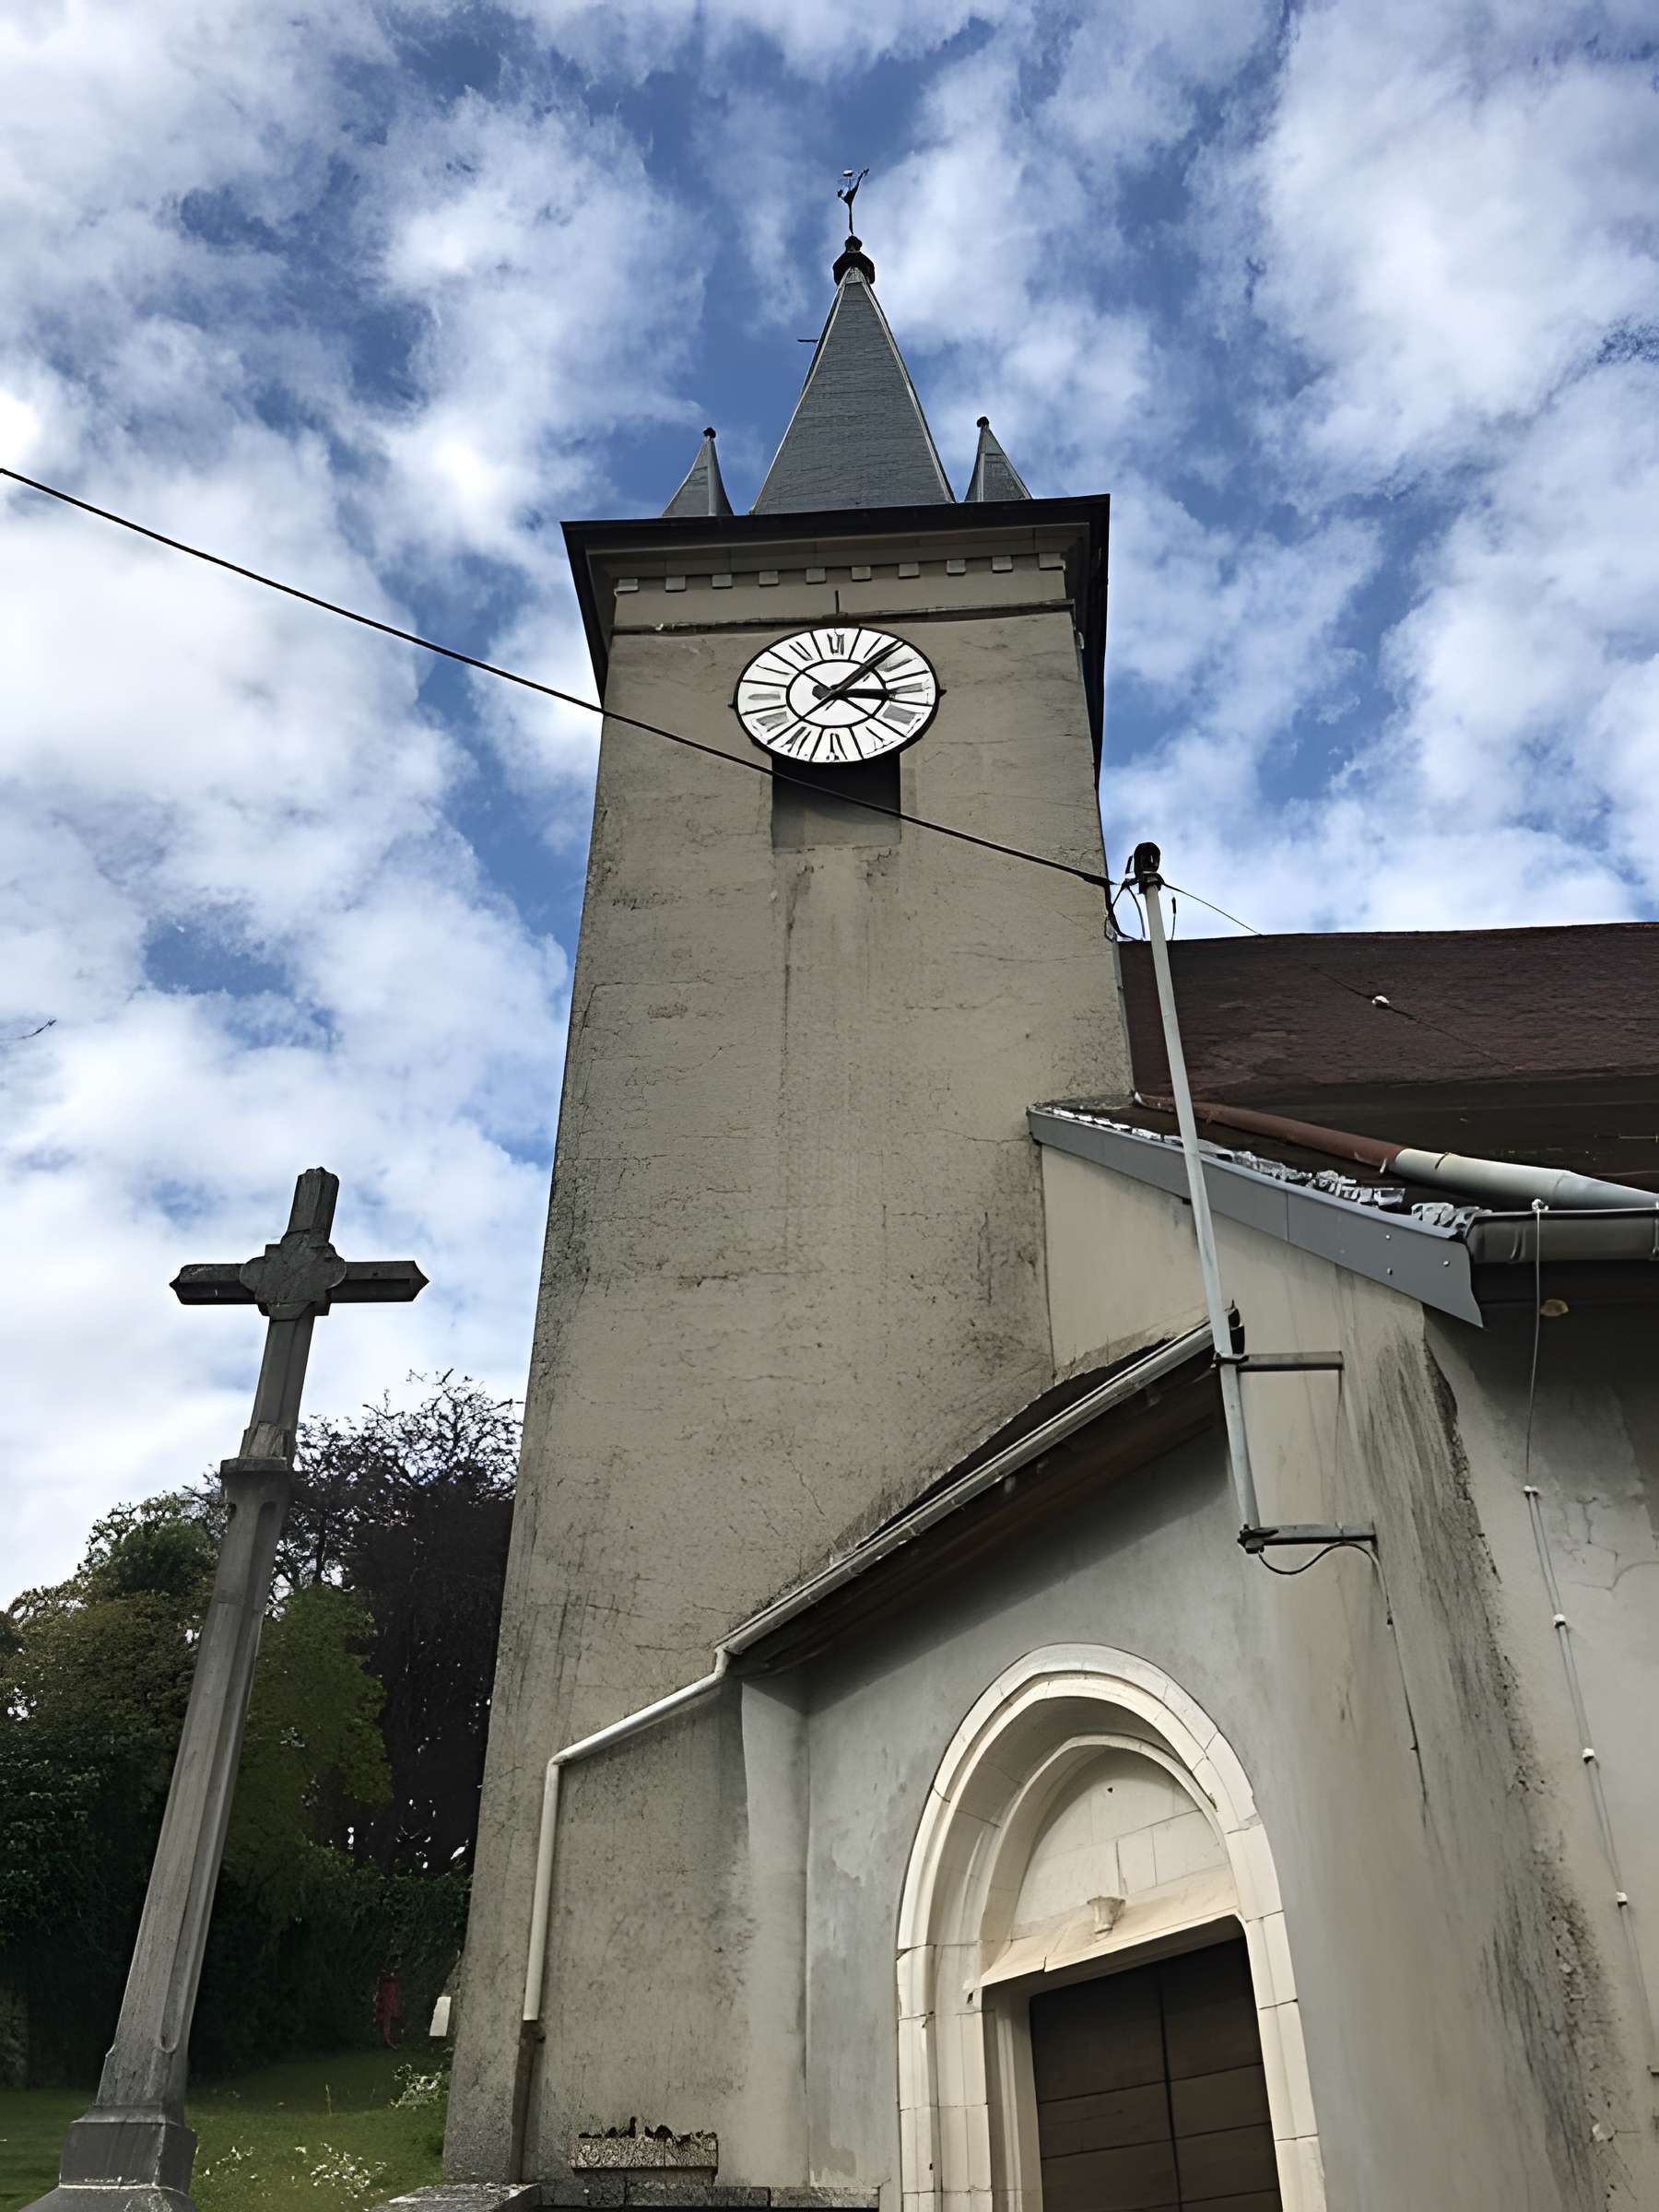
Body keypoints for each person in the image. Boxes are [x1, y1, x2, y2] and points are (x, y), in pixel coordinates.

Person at [374, 1967, 403, 2048]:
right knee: (386, 2019)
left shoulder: (394, 1983)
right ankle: (387, 2040)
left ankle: (390, 2040)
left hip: (391, 2000)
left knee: (391, 2019)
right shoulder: (385, 1982)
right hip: (387, 2000)